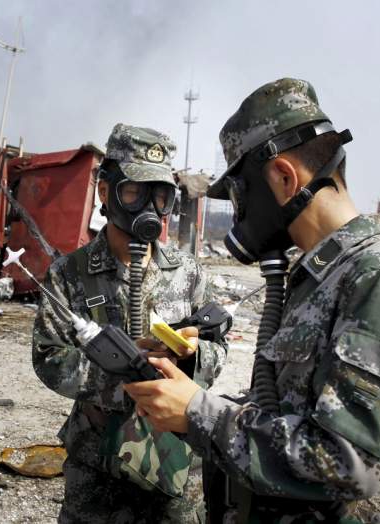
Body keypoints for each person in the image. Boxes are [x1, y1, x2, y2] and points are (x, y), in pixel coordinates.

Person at [125, 78, 380, 523]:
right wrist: (189, 391)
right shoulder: (319, 274)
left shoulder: (377, 275)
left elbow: (351, 462)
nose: (239, 213)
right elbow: (288, 410)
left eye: (239, 194)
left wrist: (198, 413)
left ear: (282, 176)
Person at [32, 123, 227, 523]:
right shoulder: (70, 273)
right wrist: (125, 379)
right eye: (135, 192)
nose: (148, 208)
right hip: (98, 467)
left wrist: (189, 358)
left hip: (173, 465)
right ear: (106, 192)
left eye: (160, 195)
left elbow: (217, 348)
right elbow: (49, 357)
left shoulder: (188, 272)